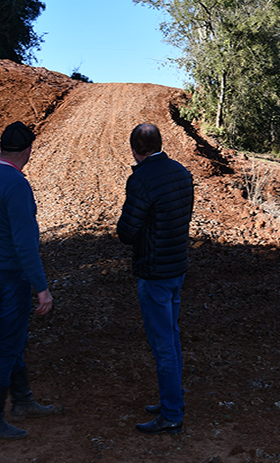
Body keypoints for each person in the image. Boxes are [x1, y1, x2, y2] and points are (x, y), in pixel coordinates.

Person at [0, 121, 55, 442]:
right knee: (6, 345)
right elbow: (25, 244)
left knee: (12, 336)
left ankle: (22, 401)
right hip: (9, 276)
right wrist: (41, 287)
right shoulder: (16, 184)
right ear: (27, 151)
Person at [117, 123, 194, 435]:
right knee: (172, 337)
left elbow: (127, 232)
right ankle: (170, 399)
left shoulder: (141, 179)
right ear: (160, 144)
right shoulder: (182, 172)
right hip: (177, 267)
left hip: (154, 272)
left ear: (136, 149)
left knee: (163, 344)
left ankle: (172, 413)